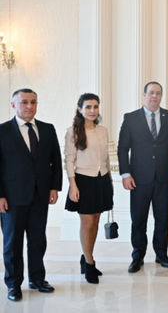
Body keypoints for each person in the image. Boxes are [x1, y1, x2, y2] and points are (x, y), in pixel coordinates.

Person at [0, 89, 62, 302]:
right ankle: (13, 284)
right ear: (13, 105)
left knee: (38, 240)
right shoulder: (2, 131)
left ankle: (37, 279)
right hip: (12, 198)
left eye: (33, 102)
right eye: (24, 102)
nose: (29, 106)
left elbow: (55, 161)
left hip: (40, 196)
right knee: (12, 244)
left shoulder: (47, 129)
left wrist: (54, 187)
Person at [118, 81, 168, 273]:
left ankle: (162, 254)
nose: (154, 96)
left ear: (161, 96)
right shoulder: (131, 118)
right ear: (144, 95)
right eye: (151, 93)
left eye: (158, 93)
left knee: (162, 219)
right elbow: (123, 148)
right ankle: (137, 257)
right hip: (138, 179)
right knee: (138, 220)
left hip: (164, 178)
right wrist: (126, 174)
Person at [64, 93, 113, 283]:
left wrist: (109, 181)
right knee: (88, 223)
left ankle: (86, 257)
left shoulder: (103, 130)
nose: (92, 110)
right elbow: (69, 160)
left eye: (95, 106)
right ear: (80, 109)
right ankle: (90, 263)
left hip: (102, 179)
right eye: (88, 107)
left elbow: (105, 158)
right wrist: (72, 185)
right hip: (83, 181)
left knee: (96, 221)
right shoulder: (73, 131)